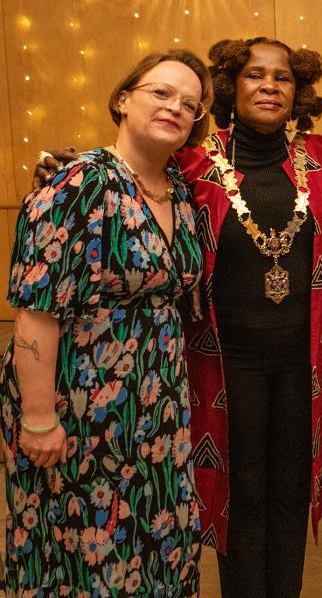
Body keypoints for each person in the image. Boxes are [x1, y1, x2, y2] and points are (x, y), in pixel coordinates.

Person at [32, 37, 322, 597]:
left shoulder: (317, 159)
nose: (269, 86)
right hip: (221, 366)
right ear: (230, 88)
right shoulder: (196, 161)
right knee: (238, 494)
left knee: (290, 494)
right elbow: (131, 168)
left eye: (282, 78)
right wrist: (65, 162)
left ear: (299, 92)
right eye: (254, 75)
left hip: (303, 364)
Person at [1, 50, 212, 594]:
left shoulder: (181, 194)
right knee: (88, 554)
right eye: (160, 92)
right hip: (80, 408)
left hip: (158, 410)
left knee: (160, 548)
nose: (175, 107)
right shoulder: (76, 185)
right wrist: (39, 416)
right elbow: (35, 311)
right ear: (123, 99)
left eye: (189, 103)